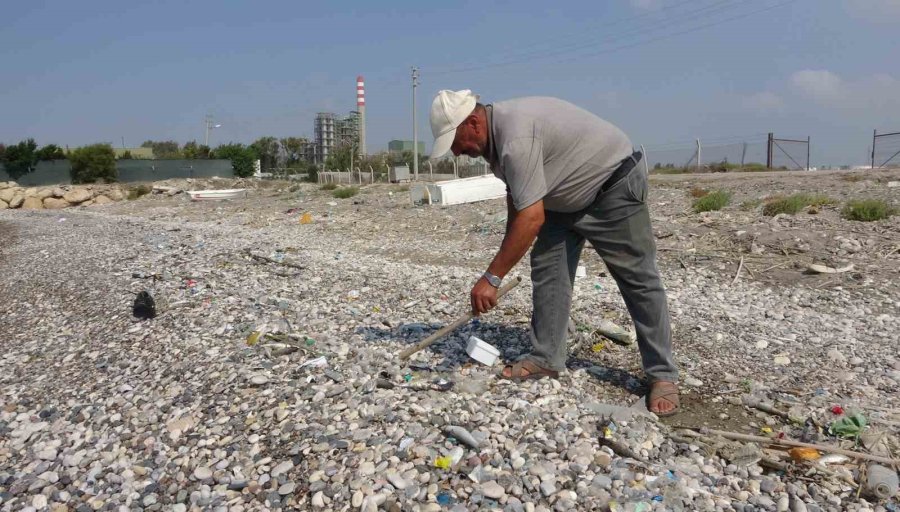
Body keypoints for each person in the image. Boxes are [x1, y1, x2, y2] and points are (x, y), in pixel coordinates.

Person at [429, 90, 680, 416]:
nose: (458, 152)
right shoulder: (496, 144)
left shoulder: (514, 138)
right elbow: (519, 205)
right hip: (563, 198)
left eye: (456, 141)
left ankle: (662, 375)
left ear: (474, 123)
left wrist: (492, 277)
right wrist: (502, 260)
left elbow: (531, 218)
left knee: (638, 279)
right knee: (548, 269)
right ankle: (546, 358)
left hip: (612, 185)